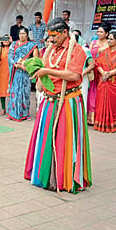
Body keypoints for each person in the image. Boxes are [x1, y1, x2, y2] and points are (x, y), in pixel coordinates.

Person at [25, 17, 91, 193]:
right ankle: (46, 176)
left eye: (54, 36)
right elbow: (42, 75)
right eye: (49, 36)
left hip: (68, 102)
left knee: (65, 139)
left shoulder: (77, 50)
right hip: (49, 100)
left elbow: (74, 75)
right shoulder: (49, 50)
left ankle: (65, 178)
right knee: (46, 139)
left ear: (64, 33)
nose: (51, 40)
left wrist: (47, 71)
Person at [93, 31, 116, 133]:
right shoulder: (104, 52)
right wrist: (103, 73)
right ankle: (100, 123)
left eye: (111, 39)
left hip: (114, 81)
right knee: (101, 101)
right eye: (108, 38)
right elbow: (97, 64)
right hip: (103, 81)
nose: (108, 40)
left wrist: (108, 73)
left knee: (114, 103)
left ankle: (112, 123)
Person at [7, 27, 39, 121]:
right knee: (15, 91)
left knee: (24, 92)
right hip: (15, 71)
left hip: (25, 71)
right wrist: (16, 64)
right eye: (20, 34)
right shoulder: (13, 44)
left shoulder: (32, 45)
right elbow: (10, 57)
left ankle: (25, 114)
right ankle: (13, 113)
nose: (22, 35)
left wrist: (25, 65)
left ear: (27, 35)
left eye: (23, 34)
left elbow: (35, 60)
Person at [88, 22, 111, 125]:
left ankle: (100, 117)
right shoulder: (93, 42)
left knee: (101, 93)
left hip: (103, 71)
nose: (98, 33)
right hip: (93, 70)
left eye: (101, 32)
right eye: (97, 31)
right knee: (92, 92)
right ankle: (91, 117)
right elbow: (88, 55)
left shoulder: (109, 44)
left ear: (106, 34)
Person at [0, 35, 11, 115]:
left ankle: (10, 108)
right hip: (2, 71)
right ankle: (3, 108)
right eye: (4, 39)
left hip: (10, 71)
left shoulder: (12, 48)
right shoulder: (1, 49)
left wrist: (12, 42)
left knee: (10, 90)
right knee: (2, 90)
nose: (6, 41)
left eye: (7, 39)